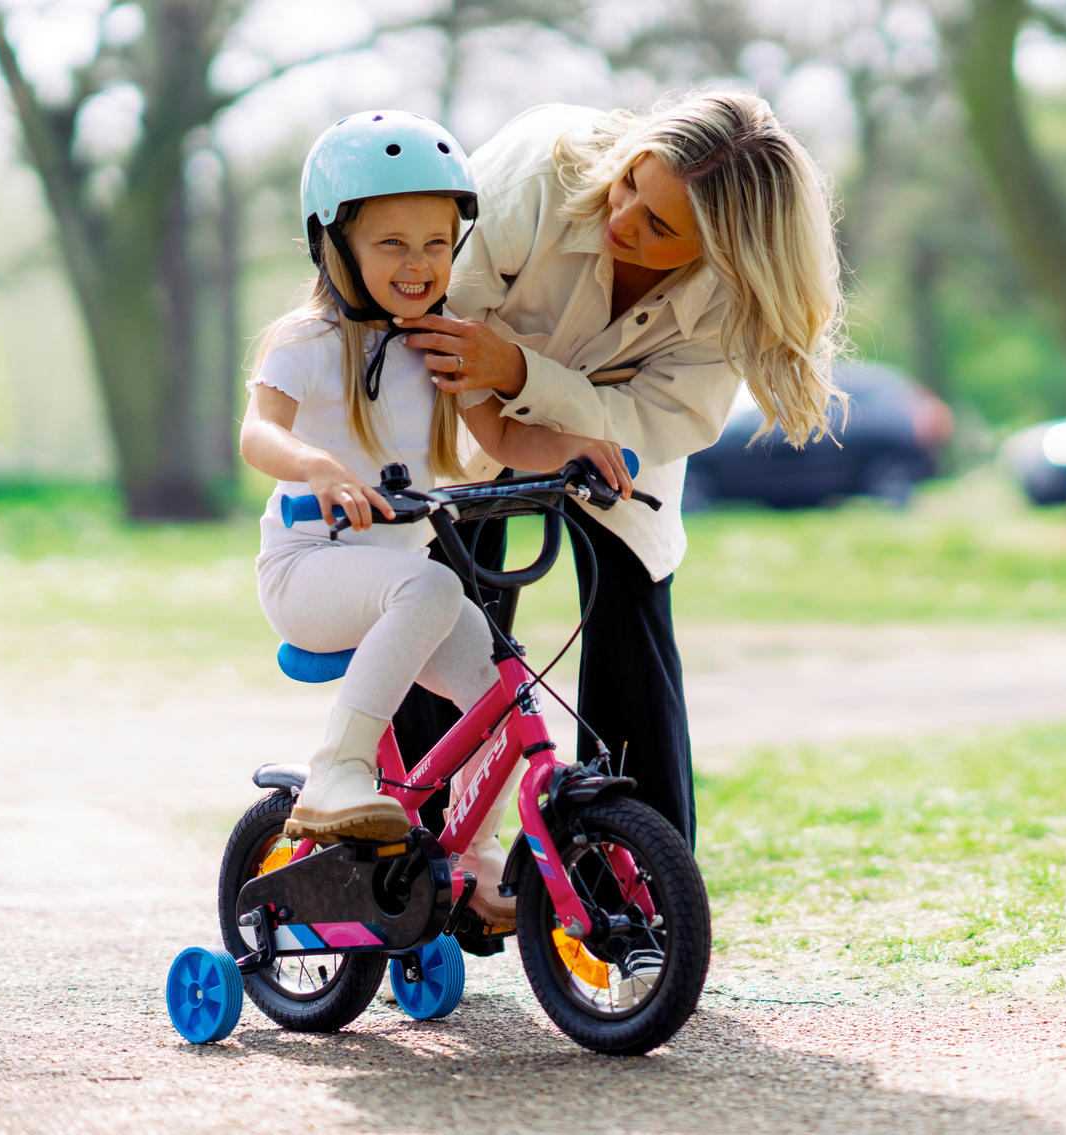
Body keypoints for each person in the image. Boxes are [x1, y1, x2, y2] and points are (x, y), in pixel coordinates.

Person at [392, 90, 848, 849]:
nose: (622, 217)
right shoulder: (544, 166)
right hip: (455, 403)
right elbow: (444, 318)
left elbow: (664, 421)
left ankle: (634, 877)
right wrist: (505, 402)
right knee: (445, 599)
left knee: (630, 601)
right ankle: (418, 853)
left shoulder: (730, 299)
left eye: (660, 225)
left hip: (609, 441)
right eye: (633, 180)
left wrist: (522, 373)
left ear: (724, 252)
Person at [238, 110, 631, 928]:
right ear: (335, 244)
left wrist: (572, 449)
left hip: (397, 581)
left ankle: (470, 844)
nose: (419, 265)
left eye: (437, 243)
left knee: (494, 682)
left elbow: (499, 437)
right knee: (429, 586)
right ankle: (337, 771)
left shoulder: (442, 346)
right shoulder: (305, 342)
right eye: (392, 244)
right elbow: (258, 433)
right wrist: (315, 465)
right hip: (309, 567)